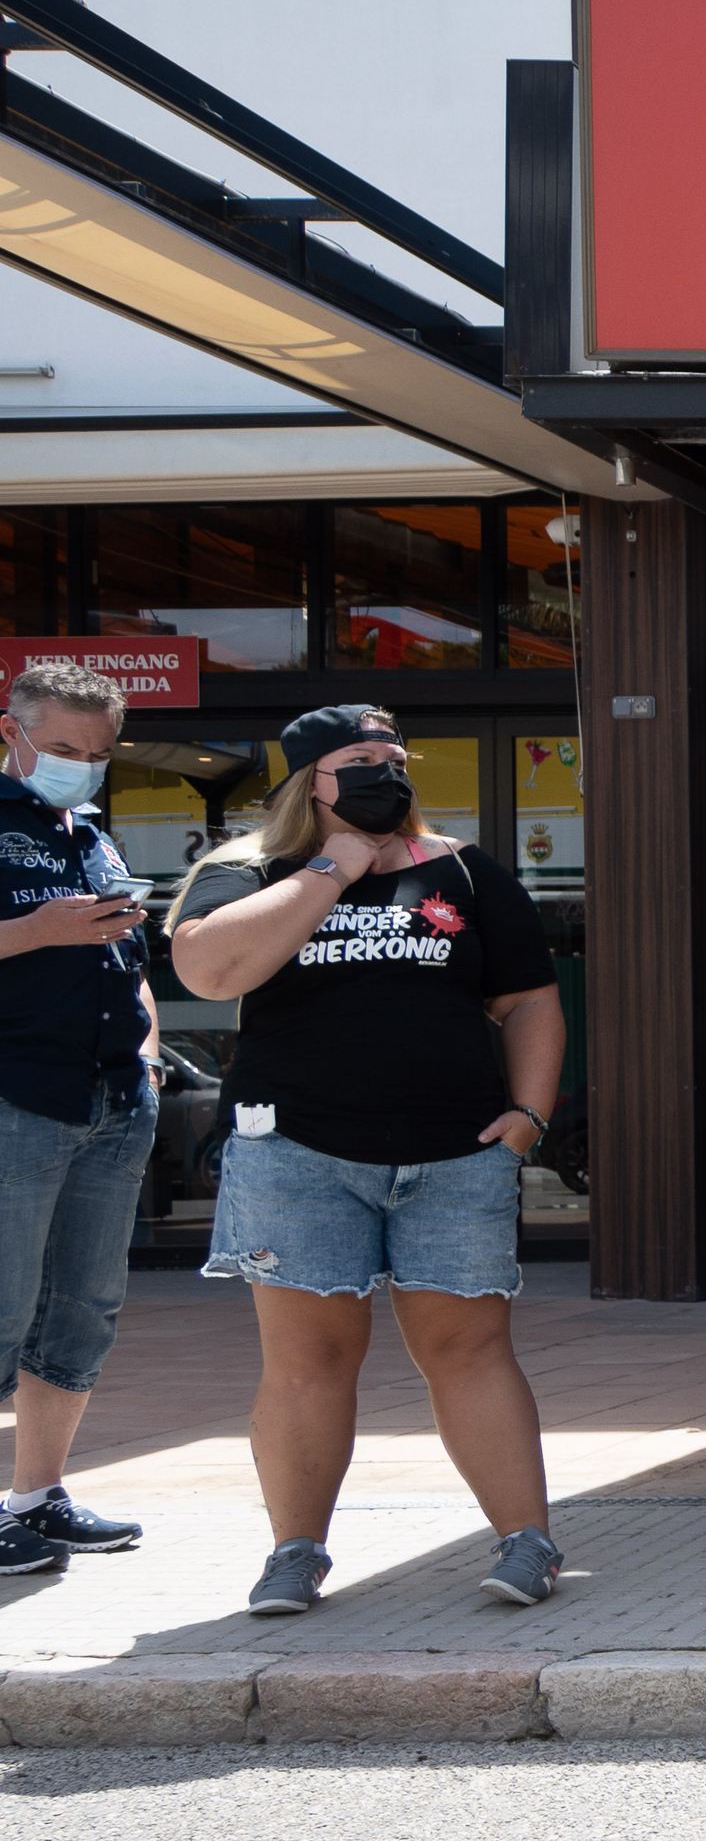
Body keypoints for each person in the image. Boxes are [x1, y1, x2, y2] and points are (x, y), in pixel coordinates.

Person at [163, 704, 567, 1617]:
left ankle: (528, 1541)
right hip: (297, 1153)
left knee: (469, 1350)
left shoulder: (467, 870)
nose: (387, 772)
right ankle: (294, 1553)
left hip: (454, 1152)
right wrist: (333, 866)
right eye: (361, 759)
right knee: (307, 1359)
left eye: (396, 757)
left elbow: (530, 999)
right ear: (311, 781)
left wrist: (528, 1116)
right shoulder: (248, 870)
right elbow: (209, 970)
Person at [0, 658, 161, 1573]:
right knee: (2, 1307)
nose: (82, 765)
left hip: (112, 1097)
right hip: (16, 1094)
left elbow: (126, 956)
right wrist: (38, 930)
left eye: (98, 753)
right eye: (63, 747)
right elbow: (51, 935)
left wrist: (148, 1055)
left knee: (82, 1310)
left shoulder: (92, 833)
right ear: (11, 732)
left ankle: (39, 1496)